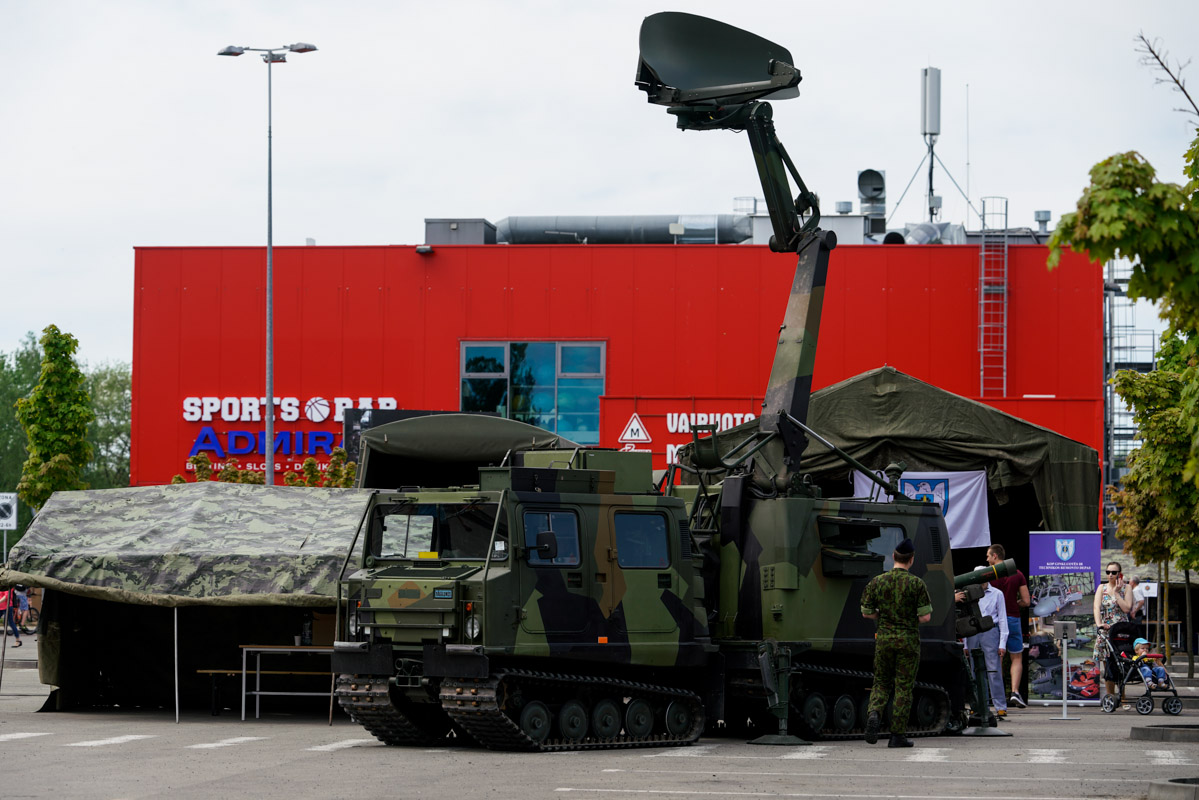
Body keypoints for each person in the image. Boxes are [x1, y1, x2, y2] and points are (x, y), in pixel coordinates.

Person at [861, 537, 933, 748]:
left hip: (883, 640)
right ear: (911, 560)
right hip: (908, 642)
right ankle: (897, 736)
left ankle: (874, 713)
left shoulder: (877, 582)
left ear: (893, 557)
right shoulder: (917, 584)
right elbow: (926, 617)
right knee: (903, 687)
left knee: (881, 682)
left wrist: (882, 616)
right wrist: (908, 618)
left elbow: (866, 613)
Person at [957, 567, 1010, 718]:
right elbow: (965, 618)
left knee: (993, 669)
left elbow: (1002, 619)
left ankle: (1000, 705)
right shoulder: (968, 594)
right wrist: (966, 644)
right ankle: (980, 705)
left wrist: (1002, 643)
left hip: (990, 631)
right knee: (974, 670)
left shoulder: (997, 594)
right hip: (973, 631)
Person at [986, 544, 1030, 708]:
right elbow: (1026, 601)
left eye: (988, 556)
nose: (987, 559)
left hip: (994, 620)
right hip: (1012, 618)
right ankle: (1015, 692)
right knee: (1016, 656)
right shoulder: (1017, 574)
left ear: (995, 556)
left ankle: (997, 694)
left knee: (997, 657)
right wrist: (1014, 603)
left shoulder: (987, 574)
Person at [1094, 561, 1133, 699]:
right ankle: (1110, 699)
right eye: (1108, 572)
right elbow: (1096, 607)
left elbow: (1127, 608)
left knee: (1122, 664)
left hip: (1121, 631)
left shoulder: (1126, 588)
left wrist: (1116, 593)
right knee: (1108, 666)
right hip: (1105, 631)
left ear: (1119, 574)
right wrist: (1099, 624)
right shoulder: (1101, 587)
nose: (1110, 575)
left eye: (1114, 572)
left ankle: (1122, 698)